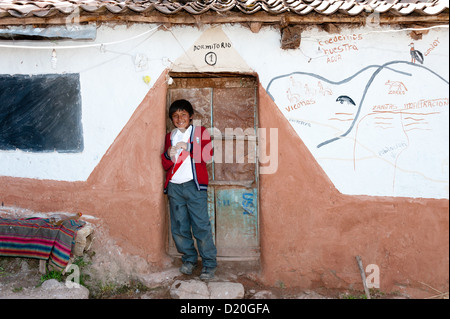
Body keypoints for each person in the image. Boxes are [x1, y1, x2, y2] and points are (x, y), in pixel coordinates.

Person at [161, 99, 217, 280]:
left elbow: (208, 154)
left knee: (201, 226)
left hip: (195, 186)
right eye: (175, 116)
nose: (179, 118)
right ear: (172, 118)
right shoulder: (169, 136)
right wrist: (167, 155)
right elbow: (165, 164)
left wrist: (190, 147)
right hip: (175, 187)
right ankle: (189, 259)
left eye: (183, 114)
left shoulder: (200, 132)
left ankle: (209, 264)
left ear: (190, 116)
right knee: (179, 227)